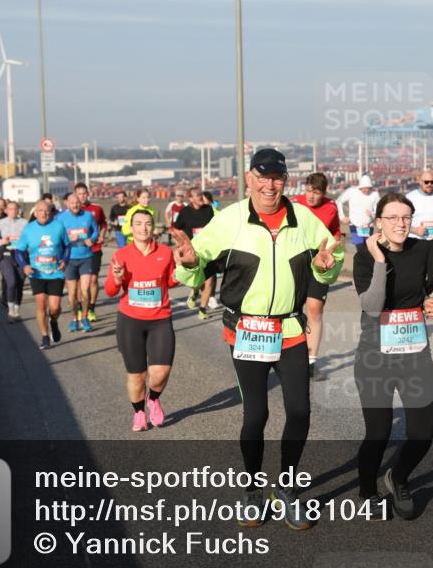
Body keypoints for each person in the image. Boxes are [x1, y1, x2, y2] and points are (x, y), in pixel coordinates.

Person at [173, 148, 343, 531]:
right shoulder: (229, 219)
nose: (270, 185)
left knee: (300, 411)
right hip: (247, 331)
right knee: (257, 414)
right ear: (249, 179)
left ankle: (286, 490)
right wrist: (187, 263)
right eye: (262, 177)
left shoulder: (305, 219)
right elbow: (195, 264)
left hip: (290, 330)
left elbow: (331, 257)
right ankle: (251, 491)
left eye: (277, 178)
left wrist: (325, 269)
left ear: (286, 181)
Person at [353, 192, 433, 520]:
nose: (400, 224)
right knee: (378, 434)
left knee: (422, 434)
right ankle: (366, 491)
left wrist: (425, 304)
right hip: (374, 356)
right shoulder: (365, 256)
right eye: (392, 218)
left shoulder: (421, 250)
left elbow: (418, 293)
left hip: (414, 353)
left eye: (405, 217)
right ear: (379, 222)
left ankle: (398, 477)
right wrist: (379, 260)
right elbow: (373, 306)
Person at [105, 209, 178, 432]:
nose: (143, 228)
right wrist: (117, 279)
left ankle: (153, 399)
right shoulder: (121, 254)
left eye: (147, 223)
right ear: (131, 227)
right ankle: (138, 413)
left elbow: (171, 282)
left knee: (161, 372)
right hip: (130, 321)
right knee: (137, 375)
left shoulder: (165, 252)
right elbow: (109, 291)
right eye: (138, 223)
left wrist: (182, 269)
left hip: (160, 319)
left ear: (153, 227)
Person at [291, 172, 342, 381]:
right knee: (291, 310)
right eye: (309, 191)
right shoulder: (294, 204)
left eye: (317, 192)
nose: (312, 196)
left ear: (324, 192)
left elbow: (336, 233)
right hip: (296, 262)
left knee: (315, 309)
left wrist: (332, 255)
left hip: (319, 263)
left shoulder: (331, 207)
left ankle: (311, 361)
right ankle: (288, 356)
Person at [15, 200, 70, 350]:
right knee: (40, 303)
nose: (44, 214)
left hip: (55, 272)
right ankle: (45, 337)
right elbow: (19, 251)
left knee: (54, 307)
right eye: (40, 211)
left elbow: (67, 246)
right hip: (37, 273)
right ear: (35, 213)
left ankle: (54, 321)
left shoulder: (58, 226)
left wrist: (65, 260)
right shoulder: (29, 229)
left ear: (50, 212)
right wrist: (24, 265)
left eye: (46, 211)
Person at [55, 193, 99, 334]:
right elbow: (56, 237)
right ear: (67, 203)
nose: (75, 205)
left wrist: (91, 239)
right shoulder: (60, 218)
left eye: (77, 202)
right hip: (69, 259)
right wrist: (68, 238)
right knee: (72, 294)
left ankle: (84, 318)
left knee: (85, 291)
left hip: (86, 257)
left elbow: (95, 231)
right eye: (72, 203)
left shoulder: (88, 216)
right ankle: (75, 318)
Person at [173, 187, 216, 319]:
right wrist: (181, 244)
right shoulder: (185, 212)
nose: (201, 197)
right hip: (193, 252)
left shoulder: (208, 210)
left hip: (209, 250)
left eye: (202, 195)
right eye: (197, 195)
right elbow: (176, 229)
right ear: (190, 198)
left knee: (209, 281)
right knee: (199, 280)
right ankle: (195, 291)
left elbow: (216, 226)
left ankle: (202, 309)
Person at [75, 183, 107, 322]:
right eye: (79, 194)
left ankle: (92, 308)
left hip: (94, 249)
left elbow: (104, 223)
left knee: (93, 280)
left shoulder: (96, 209)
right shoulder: (71, 211)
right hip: (77, 250)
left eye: (84, 193)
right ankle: (81, 308)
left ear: (88, 194)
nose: (82, 196)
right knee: (79, 283)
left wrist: (101, 235)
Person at [0, 201, 28, 322]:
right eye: (10, 209)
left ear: (18, 210)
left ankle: (17, 310)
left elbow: (31, 237)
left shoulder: (24, 223)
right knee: (11, 282)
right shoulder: (1, 223)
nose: (13, 211)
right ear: (6, 210)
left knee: (20, 284)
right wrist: (1, 242)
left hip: (21, 255)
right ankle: (11, 310)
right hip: (6, 254)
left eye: (15, 209)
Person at [406, 171, 433, 242]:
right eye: (426, 182)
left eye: (432, 182)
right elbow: (402, 220)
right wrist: (414, 230)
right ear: (420, 182)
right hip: (415, 240)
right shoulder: (410, 197)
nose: (429, 184)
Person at [336, 175, 380, 245]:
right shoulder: (352, 192)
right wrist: (342, 217)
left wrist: (372, 214)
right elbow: (339, 201)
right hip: (355, 226)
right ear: (360, 187)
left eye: (369, 188)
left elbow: (378, 209)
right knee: (360, 247)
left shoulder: (375, 195)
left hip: (368, 227)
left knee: (368, 249)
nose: (367, 190)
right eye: (365, 188)